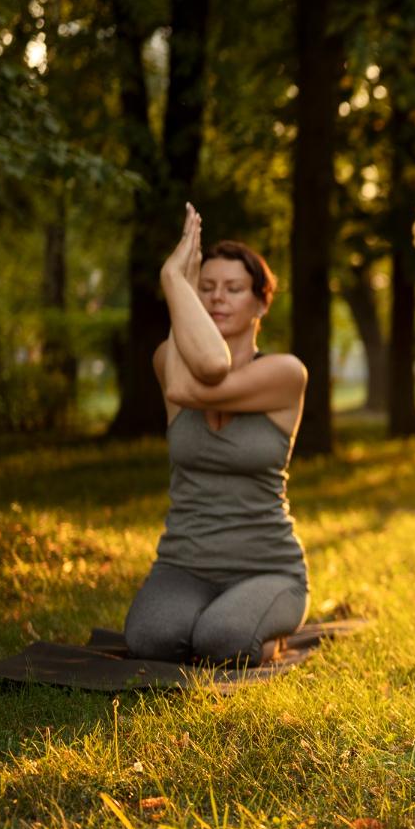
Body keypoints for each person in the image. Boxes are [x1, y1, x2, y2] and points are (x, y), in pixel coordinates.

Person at [122, 203, 310, 666]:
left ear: (262, 302)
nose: (216, 299)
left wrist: (174, 279)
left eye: (233, 289)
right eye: (203, 288)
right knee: (150, 641)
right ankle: (211, 618)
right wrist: (179, 289)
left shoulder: (286, 373)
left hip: (267, 569)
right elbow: (195, 370)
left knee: (222, 641)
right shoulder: (168, 357)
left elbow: (197, 381)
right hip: (183, 566)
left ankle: (253, 626)